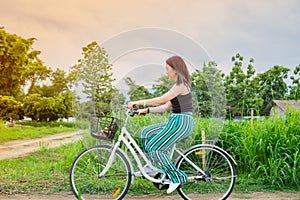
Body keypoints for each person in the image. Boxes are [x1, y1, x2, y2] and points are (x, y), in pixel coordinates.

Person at [128, 55, 194, 194]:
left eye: (167, 69)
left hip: (181, 123)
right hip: (175, 121)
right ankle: (152, 165)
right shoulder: (178, 86)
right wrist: (146, 110)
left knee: (154, 148)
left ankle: (177, 177)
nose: (166, 72)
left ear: (175, 70)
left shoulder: (180, 85)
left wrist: (140, 102)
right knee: (146, 132)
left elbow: (162, 99)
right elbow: (165, 107)